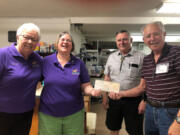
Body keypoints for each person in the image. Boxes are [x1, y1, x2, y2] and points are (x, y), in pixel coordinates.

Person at [114, 21, 180, 135]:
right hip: (150, 110)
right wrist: (122, 94)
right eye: (148, 36)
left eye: (156, 34)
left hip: (171, 111)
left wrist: (179, 121)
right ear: (144, 40)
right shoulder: (147, 60)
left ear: (164, 34)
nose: (152, 38)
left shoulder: (176, 53)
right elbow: (142, 87)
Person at [38, 32, 101, 135]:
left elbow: (86, 85)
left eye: (68, 40)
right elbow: (37, 82)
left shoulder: (79, 63)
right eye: (62, 40)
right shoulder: (46, 62)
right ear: (57, 44)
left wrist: (92, 91)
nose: (65, 42)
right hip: (48, 114)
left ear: (72, 46)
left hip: (74, 115)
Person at [0, 23, 42, 135]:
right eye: (27, 37)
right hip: (3, 113)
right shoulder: (2, 55)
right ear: (18, 37)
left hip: (26, 112)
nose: (30, 42)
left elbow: (43, 78)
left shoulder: (37, 59)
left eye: (34, 39)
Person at [102, 30, 145, 135]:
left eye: (125, 39)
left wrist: (144, 101)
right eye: (119, 40)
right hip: (114, 99)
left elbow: (147, 82)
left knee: (135, 130)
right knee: (113, 127)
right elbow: (107, 77)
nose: (122, 42)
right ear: (116, 42)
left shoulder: (141, 57)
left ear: (131, 40)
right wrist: (104, 97)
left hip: (133, 101)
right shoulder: (111, 57)